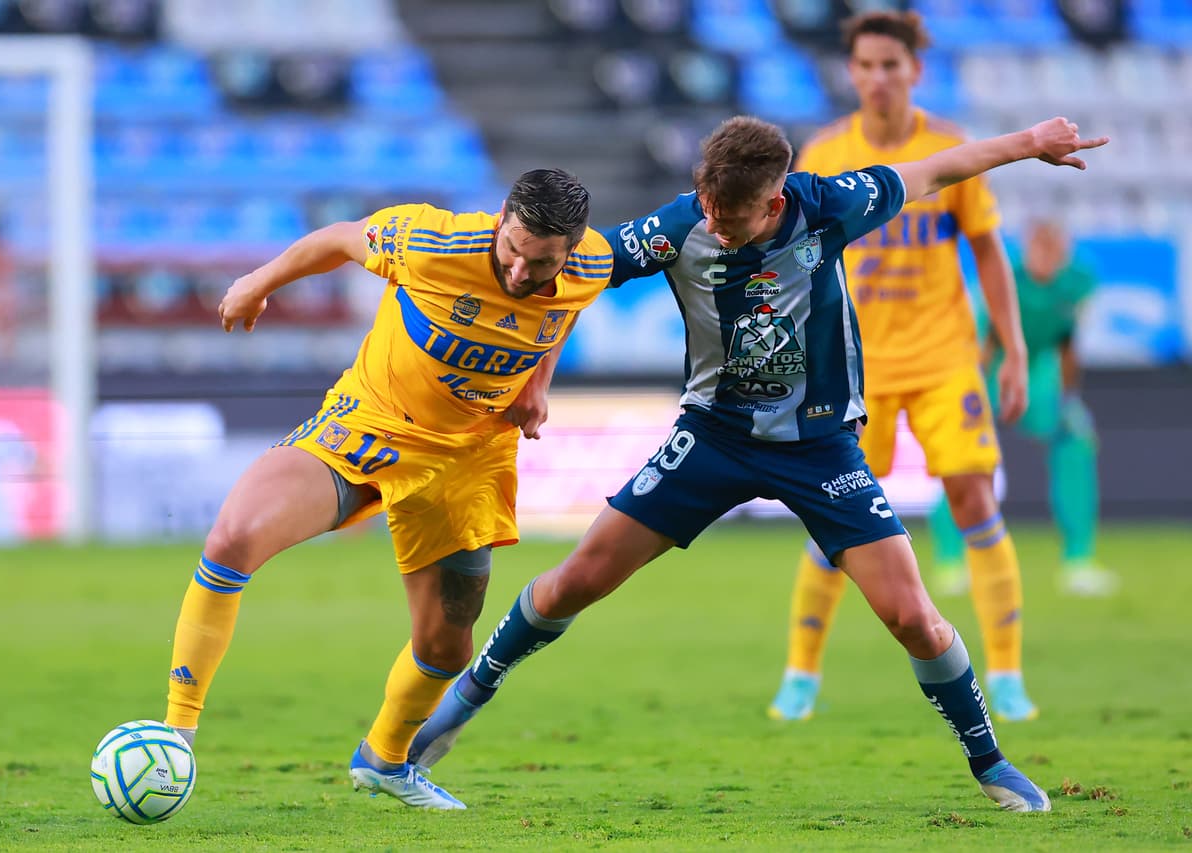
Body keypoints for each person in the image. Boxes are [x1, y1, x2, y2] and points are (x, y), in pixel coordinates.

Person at [408, 114, 1106, 812]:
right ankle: (461, 703)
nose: (714, 225)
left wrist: (1029, 144)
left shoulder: (828, 206)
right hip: (713, 437)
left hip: (821, 446)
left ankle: (990, 761)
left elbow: (936, 171)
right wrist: (539, 377)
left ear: (773, 202)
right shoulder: (677, 226)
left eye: (731, 217)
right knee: (577, 579)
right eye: (708, 207)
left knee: (912, 617)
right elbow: (576, 278)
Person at [161, 169, 615, 811]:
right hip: (369, 424)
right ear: (500, 220)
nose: (520, 272)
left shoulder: (593, 264)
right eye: (513, 250)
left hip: (468, 457)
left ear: (569, 251)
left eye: (541, 263)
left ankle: (384, 761)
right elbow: (339, 239)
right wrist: (258, 284)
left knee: (446, 645)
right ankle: (174, 738)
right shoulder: (429, 242)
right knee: (233, 539)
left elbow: (561, 314)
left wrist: (537, 383)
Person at [768, 11, 1039, 725]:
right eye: (866, 65)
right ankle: (800, 673)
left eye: (891, 64)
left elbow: (988, 249)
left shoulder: (947, 149)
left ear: (915, 69)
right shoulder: (827, 153)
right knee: (834, 511)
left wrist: (1013, 347)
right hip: (853, 368)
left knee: (974, 499)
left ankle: (1006, 674)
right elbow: (794, 257)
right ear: (851, 72)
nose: (879, 77)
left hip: (945, 357)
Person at [927, 220, 1118, 597]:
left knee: (1076, 440)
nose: (1046, 258)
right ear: (1028, 248)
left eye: (1054, 250)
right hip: (988, 367)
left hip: (1038, 371)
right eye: (1040, 249)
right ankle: (950, 561)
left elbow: (1067, 343)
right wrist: (971, 395)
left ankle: (1078, 560)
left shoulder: (1079, 280)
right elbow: (981, 337)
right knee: (961, 458)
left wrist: (1069, 398)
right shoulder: (1006, 273)